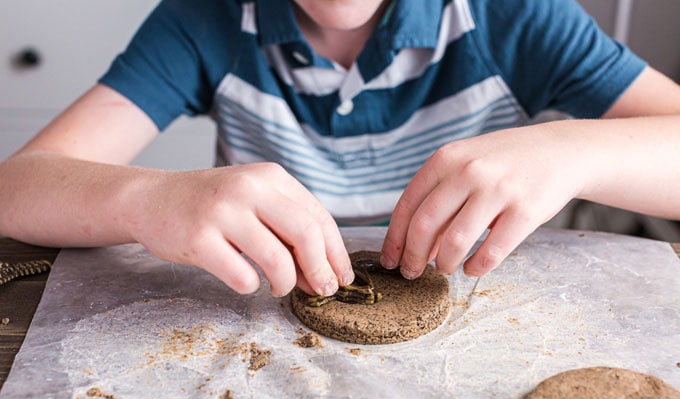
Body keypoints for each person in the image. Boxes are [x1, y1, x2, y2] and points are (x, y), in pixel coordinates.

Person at [1, 0, 680, 298]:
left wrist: (571, 152)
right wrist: (147, 197)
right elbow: (17, 187)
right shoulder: (204, 20)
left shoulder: (515, 15)